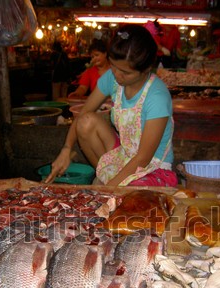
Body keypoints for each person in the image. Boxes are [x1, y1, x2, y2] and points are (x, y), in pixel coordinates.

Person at [44, 24, 177, 188]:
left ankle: (109, 183)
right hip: (124, 154)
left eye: (125, 72)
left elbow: (143, 157)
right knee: (86, 122)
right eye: (113, 66)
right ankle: (106, 179)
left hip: (152, 168)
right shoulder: (113, 78)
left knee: (133, 194)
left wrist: (109, 189)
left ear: (146, 69)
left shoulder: (157, 96)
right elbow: (83, 113)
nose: (116, 75)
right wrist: (66, 149)